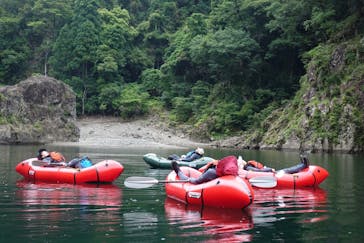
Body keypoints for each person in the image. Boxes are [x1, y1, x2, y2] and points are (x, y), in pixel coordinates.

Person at [171, 155, 238, 184]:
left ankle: (179, 172)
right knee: (196, 180)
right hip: (210, 175)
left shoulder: (212, 172)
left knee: (195, 180)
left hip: (211, 175)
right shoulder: (212, 172)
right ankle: (179, 172)